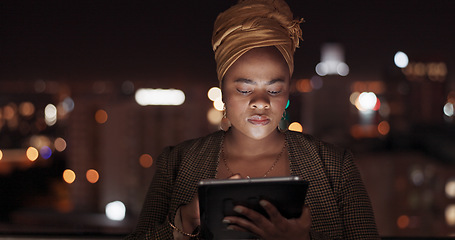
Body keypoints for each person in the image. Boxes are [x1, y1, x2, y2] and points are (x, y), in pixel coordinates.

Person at [126, 0, 379, 239]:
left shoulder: (334, 167)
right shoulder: (177, 163)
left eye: (274, 90)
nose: (261, 102)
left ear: (288, 92)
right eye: (245, 90)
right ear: (223, 92)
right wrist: (186, 220)